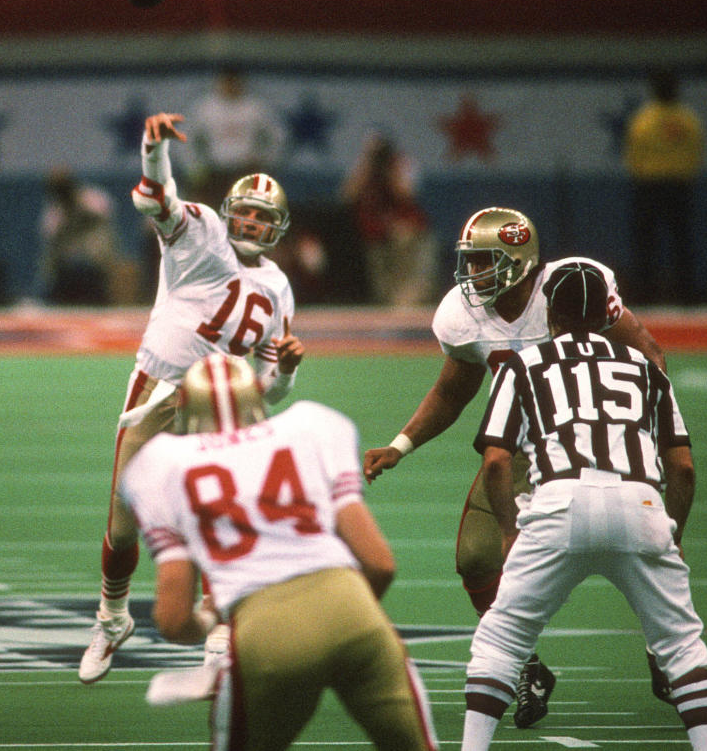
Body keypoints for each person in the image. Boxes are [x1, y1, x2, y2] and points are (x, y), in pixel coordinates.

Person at [362, 206, 672, 728]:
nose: (471, 274)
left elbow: (651, 359)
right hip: (523, 450)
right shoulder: (463, 315)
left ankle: (667, 648)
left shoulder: (573, 287)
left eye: (484, 261)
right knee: (477, 557)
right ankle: (526, 667)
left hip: (597, 443)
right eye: (470, 261)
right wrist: (402, 443)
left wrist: (640, 436)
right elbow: (455, 387)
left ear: (519, 261)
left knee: (640, 548)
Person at [78, 111, 305, 684]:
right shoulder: (200, 233)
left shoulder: (278, 287)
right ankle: (111, 617)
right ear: (230, 213)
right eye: (246, 213)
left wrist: (290, 371)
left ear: (277, 227)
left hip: (221, 407)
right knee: (123, 521)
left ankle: (223, 634)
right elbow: (154, 199)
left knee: (217, 515)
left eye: (262, 217)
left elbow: (271, 390)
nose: (251, 223)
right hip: (159, 388)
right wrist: (152, 149)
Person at [461, 261, 707, 750]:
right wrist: (673, 533)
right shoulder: (646, 368)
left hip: (557, 503)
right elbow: (682, 468)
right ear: (606, 313)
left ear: (549, 316)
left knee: (500, 642)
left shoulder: (522, 365)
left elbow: (496, 460)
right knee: (682, 649)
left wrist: (511, 530)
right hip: (640, 501)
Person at [123, 353, 439, 751]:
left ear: (184, 406)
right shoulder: (309, 427)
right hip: (353, 611)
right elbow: (380, 563)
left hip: (265, 631)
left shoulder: (163, 464)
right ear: (257, 393)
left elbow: (171, 621)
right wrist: (342, 618)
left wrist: (208, 621)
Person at [623, 67, 703, 304]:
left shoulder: (645, 120)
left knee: (660, 243)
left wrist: (647, 172)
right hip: (672, 186)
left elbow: (633, 155)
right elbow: (695, 152)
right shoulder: (687, 120)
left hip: (654, 186)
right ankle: (680, 296)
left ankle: (650, 295)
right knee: (674, 242)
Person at [339, 132, 439, 306]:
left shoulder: (402, 164)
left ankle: (408, 301)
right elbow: (346, 196)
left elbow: (406, 193)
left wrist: (391, 169)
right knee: (382, 290)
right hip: (375, 236)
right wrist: (367, 164)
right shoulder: (364, 170)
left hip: (409, 237)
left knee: (409, 288)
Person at [186, 68, 286, 210]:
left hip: (245, 171)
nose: (230, 87)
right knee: (214, 213)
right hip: (215, 172)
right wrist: (195, 167)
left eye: (234, 83)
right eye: (226, 83)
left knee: (245, 214)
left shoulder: (254, 107)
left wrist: (265, 160)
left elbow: (277, 136)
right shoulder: (205, 108)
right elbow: (188, 139)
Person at [36, 166, 137, 305]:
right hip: (68, 265)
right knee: (51, 258)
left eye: (65, 189)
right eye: (59, 190)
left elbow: (106, 212)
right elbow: (49, 237)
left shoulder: (90, 197)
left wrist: (81, 212)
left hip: (95, 258)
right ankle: (55, 299)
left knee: (100, 238)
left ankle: (102, 297)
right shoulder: (55, 211)